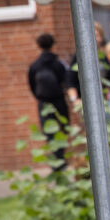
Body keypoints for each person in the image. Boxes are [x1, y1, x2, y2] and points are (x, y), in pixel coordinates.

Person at [27, 33, 69, 165]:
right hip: (59, 101)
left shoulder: (35, 66)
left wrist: (40, 97)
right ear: (53, 45)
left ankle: (54, 161)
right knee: (62, 129)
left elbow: (32, 85)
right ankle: (61, 158)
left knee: (49, 132)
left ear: (38, 46)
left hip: (44, 102)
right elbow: (65, 81)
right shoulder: (58, 64)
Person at [65, 21, 110, 110]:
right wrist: (75, 100)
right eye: (93, 36)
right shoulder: (79, 56)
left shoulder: (103, 56)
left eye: (98, 36)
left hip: (103, 102)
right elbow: (70, 80)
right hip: (85, 102)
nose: (96, 39)